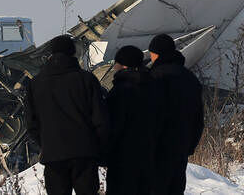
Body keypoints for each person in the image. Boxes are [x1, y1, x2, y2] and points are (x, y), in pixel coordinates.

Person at [26, 35, 108, 195]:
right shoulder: (86, 80)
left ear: (51, 53)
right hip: (84, 153)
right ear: (73, 53)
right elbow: (100, 119)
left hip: (53, 155)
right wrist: (98, 147)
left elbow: (31, 124)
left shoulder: (35, 84)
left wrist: (46, 143)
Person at [148, 34, 204, 195]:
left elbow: (148, 114)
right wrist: (189, 146)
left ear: (156, 53)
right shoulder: (191, 79)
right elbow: (198, 119)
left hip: (157, 148)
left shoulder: (154, 77)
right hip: (181, 147)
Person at [105, 45, 159, 195]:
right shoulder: (154, 87)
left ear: (124, 65)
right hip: (149, 155)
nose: (114, 67)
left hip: (122, 157)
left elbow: (114, 125)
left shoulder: (120, 91)